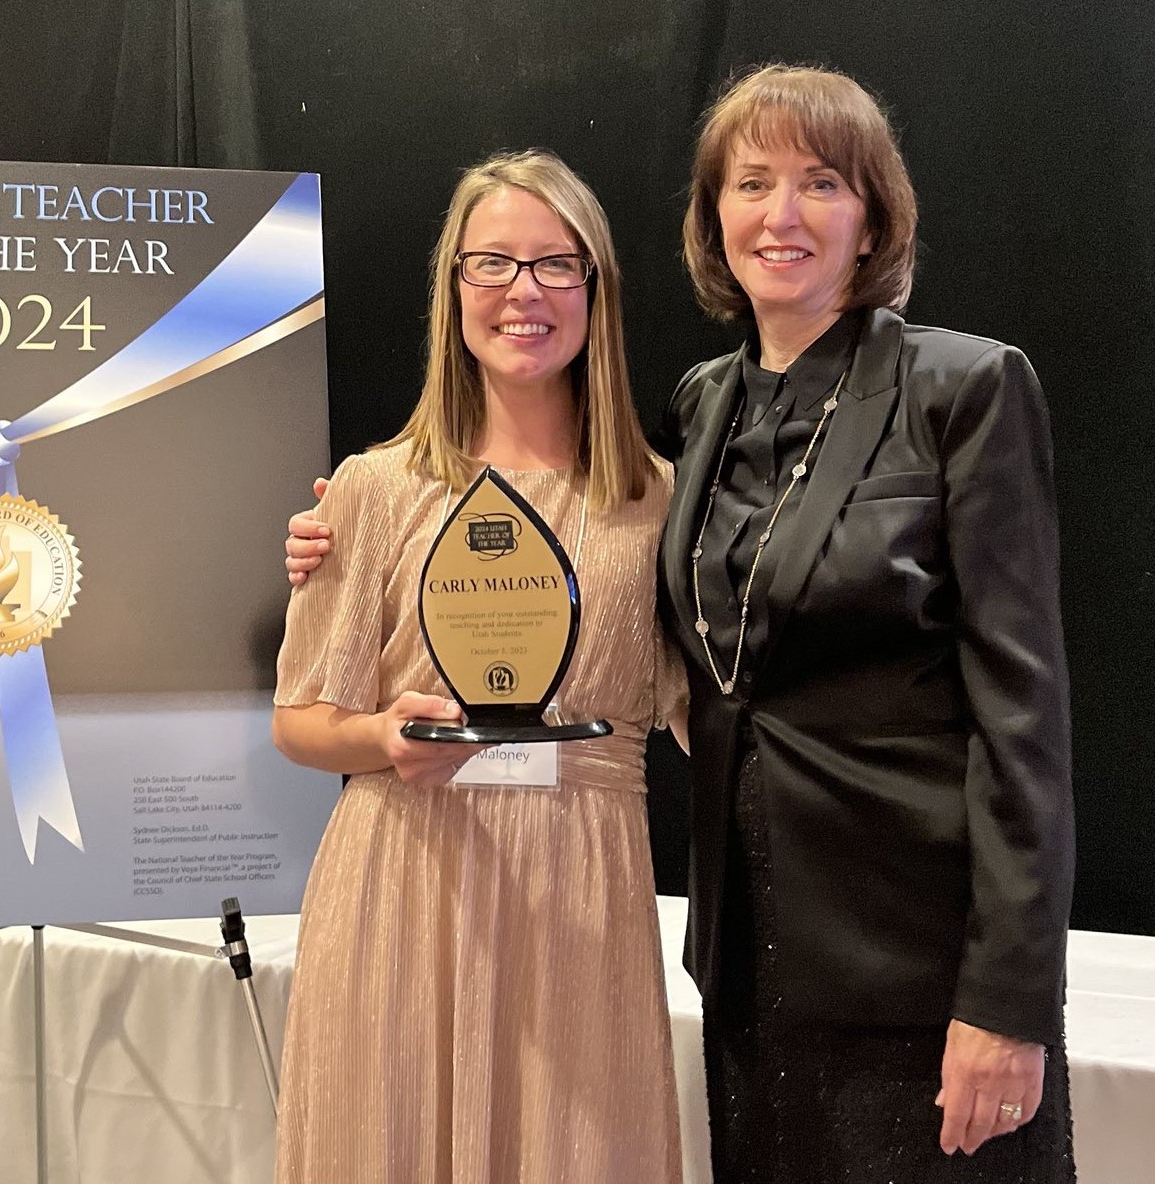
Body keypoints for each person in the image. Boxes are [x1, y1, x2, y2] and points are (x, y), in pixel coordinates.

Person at [287, 66, 1075, 1183]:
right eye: (749, 183)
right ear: (711, 220)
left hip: (901, 944)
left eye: (820, 182)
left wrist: (1006, 998)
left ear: (872, 217)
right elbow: (704, 669)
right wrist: (341, 554)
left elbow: (1022, 722)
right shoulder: (706, 412)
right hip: (745, 949)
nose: (782, 213)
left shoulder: (959, 388)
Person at [270, 149, 687, 1182]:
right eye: (491, 263)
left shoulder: (657, 500)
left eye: (555, 264)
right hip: (402, 882)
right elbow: (296, 721)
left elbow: (709, 709)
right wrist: (377, 737)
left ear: (595, 290)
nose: (522, 292)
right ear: (452, 287)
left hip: (580, 898)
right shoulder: (372, 488)